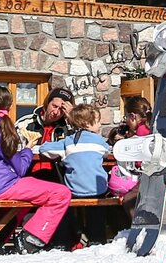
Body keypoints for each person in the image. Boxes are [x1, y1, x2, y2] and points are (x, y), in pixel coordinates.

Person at [0, 86, 72, 253]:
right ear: (10, 105)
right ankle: (30, 240)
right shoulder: (3, 127)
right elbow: (21, 168)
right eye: (55, 105)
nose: (57, 111)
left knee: (23, 203)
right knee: (61, 193)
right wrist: (28, 148)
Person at [35, 103, 115, 246]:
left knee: (65, 205)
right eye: (97, 122)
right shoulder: (99, 142)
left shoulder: (68, 142)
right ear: (88, 123)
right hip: (97, 190)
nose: (99, 125)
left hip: (75, 190)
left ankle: (66, 239)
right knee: (97, 210)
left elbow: (45, 149)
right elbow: (106, 152)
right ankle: (97, 238)